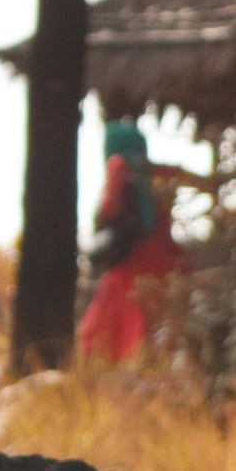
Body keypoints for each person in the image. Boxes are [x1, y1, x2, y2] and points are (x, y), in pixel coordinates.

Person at [78, 116, 185, 364]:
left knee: (108, 332)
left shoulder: (117, 166)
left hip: (130, 263)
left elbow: (109, 209)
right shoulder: (154, 174)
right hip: (158, 261)